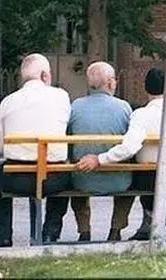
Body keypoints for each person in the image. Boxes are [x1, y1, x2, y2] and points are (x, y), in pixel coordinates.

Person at [77, 67, 166, 240]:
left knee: (134, 171)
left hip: (149, 179)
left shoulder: (141, 115)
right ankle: (158, 217)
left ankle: (153, 220)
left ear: (146, 88)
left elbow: (129, 148)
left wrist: (99, 159)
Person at [0, 53, 71, 247]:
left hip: (17, 178)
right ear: (44, 75)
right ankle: (50, 232)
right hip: (53, 178)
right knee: (68, 175)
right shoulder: (61, 96)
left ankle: (3, 236)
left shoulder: (7, 101)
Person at [54, 61, 133, 242]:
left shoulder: (75, 106)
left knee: (76, 166)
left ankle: (84, 231)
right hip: (119, 181)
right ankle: (116, 229)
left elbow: (68, 141)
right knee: (132, 174)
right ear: (110, 82)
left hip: (83, 180)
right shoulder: (124, 107)